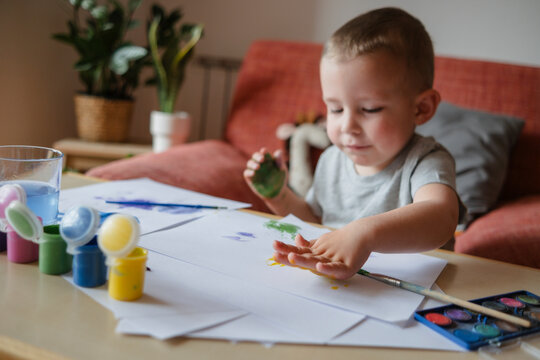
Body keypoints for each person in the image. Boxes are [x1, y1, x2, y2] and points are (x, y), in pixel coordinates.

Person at [243, 7, 464, 280]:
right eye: (335, 109)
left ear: (421, 108)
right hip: (345, 290)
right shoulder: (332, 159)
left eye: (369, 109)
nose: (347, 126)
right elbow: (315, 220)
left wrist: (364, 232)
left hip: (417, 293)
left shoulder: (426, 160)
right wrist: (279, 196)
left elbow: (440, 219)